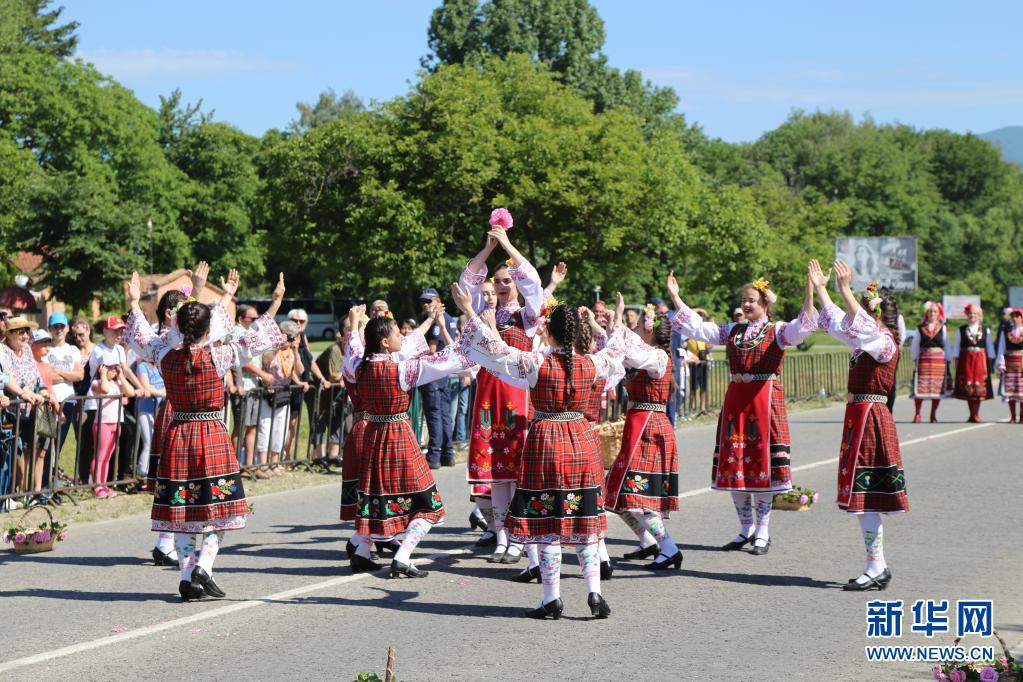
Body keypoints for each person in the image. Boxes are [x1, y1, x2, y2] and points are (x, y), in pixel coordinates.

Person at [452, 290, 625, 620]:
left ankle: (551, 598)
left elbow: (496, 352)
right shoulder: (593, 363)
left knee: (546, 523)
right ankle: (594, 592)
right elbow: (617, 349)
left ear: (550, 332)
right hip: (582, 441)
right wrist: (611, 321)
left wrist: (469, 312)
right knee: (585, 522)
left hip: (546, 441)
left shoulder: (536, 362)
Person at [126, 269, 286, 602]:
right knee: (221, 508)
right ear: (208, 329)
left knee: (183, 511)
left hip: (178, 434)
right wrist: (275, 302)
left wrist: (134, 302)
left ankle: (187, 576)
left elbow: (142, 336)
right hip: (210, 433)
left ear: (176, 326)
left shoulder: (165, 355)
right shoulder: (219, 355)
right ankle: (204, 566)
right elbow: (255, 336)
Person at [666, 271, 817, 556]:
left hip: (764, 400)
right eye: (744, 300)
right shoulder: (733, 330)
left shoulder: (778, 331)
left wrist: (810, 291)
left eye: (751, 301)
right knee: (735, 465)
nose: (746, 305)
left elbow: (803, 327)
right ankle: (746, 528)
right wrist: (676, 296)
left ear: (765, 303)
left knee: (761, 467)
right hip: (737, 401)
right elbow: (699, 329)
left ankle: (763, 531)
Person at [341, 306, 466, 579]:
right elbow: (445, 361)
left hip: (374, 435)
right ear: (385, 342)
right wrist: (472, 341)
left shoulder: (359, 366)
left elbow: (353, 348)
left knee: (377, 498)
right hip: (398, 436)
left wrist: (354, 323)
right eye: (398, 333)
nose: (402, 336)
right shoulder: (402, 369)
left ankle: (362, 552)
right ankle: (403, 555)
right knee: (429, 505)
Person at [809, 260, 908, 590]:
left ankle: (876, 566)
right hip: (859, 416)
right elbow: (839, 322)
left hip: (871, 417)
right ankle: (877, 565)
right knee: (863, 496)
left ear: (877, 313)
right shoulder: (865, 340)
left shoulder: (884, 342)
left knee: (866, 496)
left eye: (864, 309)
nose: (857, 315)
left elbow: (860, 326)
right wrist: (822, 289)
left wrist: (844, 289)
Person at [459, 223, 546, 564]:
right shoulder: (484, 314)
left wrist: (508, 246)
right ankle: (501, 537)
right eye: (497, 281)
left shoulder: (528, 316)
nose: (501, 285)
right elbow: (466, 283)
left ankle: (520, 539)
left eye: (507, 280)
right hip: (489, 397)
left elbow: (534, 283)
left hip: (518, 398)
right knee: (496, 475)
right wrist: (488, 249)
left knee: (517, 474)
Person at [604, 297, 683, 570]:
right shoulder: (646, 352)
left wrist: (618, 324)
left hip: (650, 428)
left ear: (649, 331)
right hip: (638, 425)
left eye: (638, 326)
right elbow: (619, 349)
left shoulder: (658, 357)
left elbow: (628, 352)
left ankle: (669, 548)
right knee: (614, 492)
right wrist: (612, 321)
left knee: (637, 494)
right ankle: (648, 541)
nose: (634, 329)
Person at [2, 317, 57, 493]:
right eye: (21, 332)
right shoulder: (2, 350)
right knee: (15, 454)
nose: (25, 336)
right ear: (9, 334)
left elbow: (35, 373)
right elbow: (7, 377)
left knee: (32, 450)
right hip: (12, 411)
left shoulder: (26, 349)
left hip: (33, 409)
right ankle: (16, 492)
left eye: (27, 332)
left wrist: (43, 390)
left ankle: (30, 491)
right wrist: (24, 393)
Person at [257, 320, 304, 476]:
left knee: (280, 430)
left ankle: (275, 463)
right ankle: (263, 464)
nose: (290, 339)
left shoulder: (291, 352)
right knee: (265, 429)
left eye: (293, 336)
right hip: (268, 394)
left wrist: (295, 351)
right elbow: (266, 362)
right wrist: (278, 344)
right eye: (289, 336)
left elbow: (300, 370)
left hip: (283, 394)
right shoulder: (272, 348)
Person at [418, 288, 456, 469]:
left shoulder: (436, 320)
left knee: (434, 415)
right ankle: (448, 454)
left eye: (429, 301)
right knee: (444, 414)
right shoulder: (449, 318)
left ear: (439, 301)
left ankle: (434, 455)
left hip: (433, 373)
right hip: (443, 373)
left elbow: (432, 349)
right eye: (423, 302)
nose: (425, 305)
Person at [90, 350, 136, 497]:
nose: (113, 371)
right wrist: (103, 374)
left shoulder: (117, 384)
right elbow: (104, 389)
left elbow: (131, 393)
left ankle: (104, 485)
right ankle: (96, 486)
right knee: (100, 455)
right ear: (102, 368)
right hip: (103, 423)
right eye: (110, 368)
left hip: (116, 423)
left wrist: (121, 376)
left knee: (108, 456)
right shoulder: (96, 383)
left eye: (115, 368)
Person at [287, 308, 330, 461]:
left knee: (295, 421)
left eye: (302, 321)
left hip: (303, 385)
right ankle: (285, 457)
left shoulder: (303, 337)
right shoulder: (285, 338)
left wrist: (321, 378)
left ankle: (291, 457)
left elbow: (310, 360)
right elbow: (284, 363)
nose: (298, 323)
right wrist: (297, 381)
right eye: (294, 320)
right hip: (289, 385)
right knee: (290, 422)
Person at [43, 312, 83, 465]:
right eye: (55, 327)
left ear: (67, 328)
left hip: (68, 402)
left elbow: (79, 375)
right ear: (50, 329)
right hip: (49, 400)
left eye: (61, 326)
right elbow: (45, 376)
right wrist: (68, 375)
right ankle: (45, 477)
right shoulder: (45, 349)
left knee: (59, 442)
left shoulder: (73, 350)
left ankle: (53, 474)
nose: (58, 330)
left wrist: (57, 372)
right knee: (46, 445)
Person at [952, 303, 995, 423]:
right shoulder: (961, 330)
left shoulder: (985, 330)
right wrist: (956, 361)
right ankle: (972, 413)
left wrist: (991, 361)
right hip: (966, 360)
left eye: (975, 313)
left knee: (979, 386)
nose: (972, 315)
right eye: (970, 313)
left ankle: (976, 413)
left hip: (980, 359)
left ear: (979, 315)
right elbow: (956, 347)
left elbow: (989, 346)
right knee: (968, 385)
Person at [910, 302, 951, 423]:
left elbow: (946, 344)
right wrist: (915, 358)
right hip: (924, 360)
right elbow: (915, 344)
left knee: (937, 388)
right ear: (926, 313)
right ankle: (917, 413)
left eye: (935, 311)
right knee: (921, 386)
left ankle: (933, 415)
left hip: (939, 362)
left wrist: (948, 359)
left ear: (938, 314)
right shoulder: (920, 328)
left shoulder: (942, 328)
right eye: (930, 311)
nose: (932, 313)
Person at [995, 308, 1023, 423]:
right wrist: (1001, 363)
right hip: (1010, 363)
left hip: (1021, 363)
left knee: (1021, 391)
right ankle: (1013, 416)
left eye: (1017, 316)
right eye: (1013, 316)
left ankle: (1022, 416)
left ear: (1021, 318)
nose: (1014, 318)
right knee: (1011, 390)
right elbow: (1001, 348)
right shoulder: (1006, 331)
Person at [686, 309, 712, 416]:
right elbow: (685, 315)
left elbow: (709, 346)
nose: (699, 317)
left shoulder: (704, 331)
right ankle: (692, 408)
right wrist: (698, 310)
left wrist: (708, 348)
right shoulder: (689, 330)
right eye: (697, 315)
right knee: (693, 387)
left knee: (703, 387)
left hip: (703, 361)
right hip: (693, 362)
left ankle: (702, 408)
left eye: (701, 316)